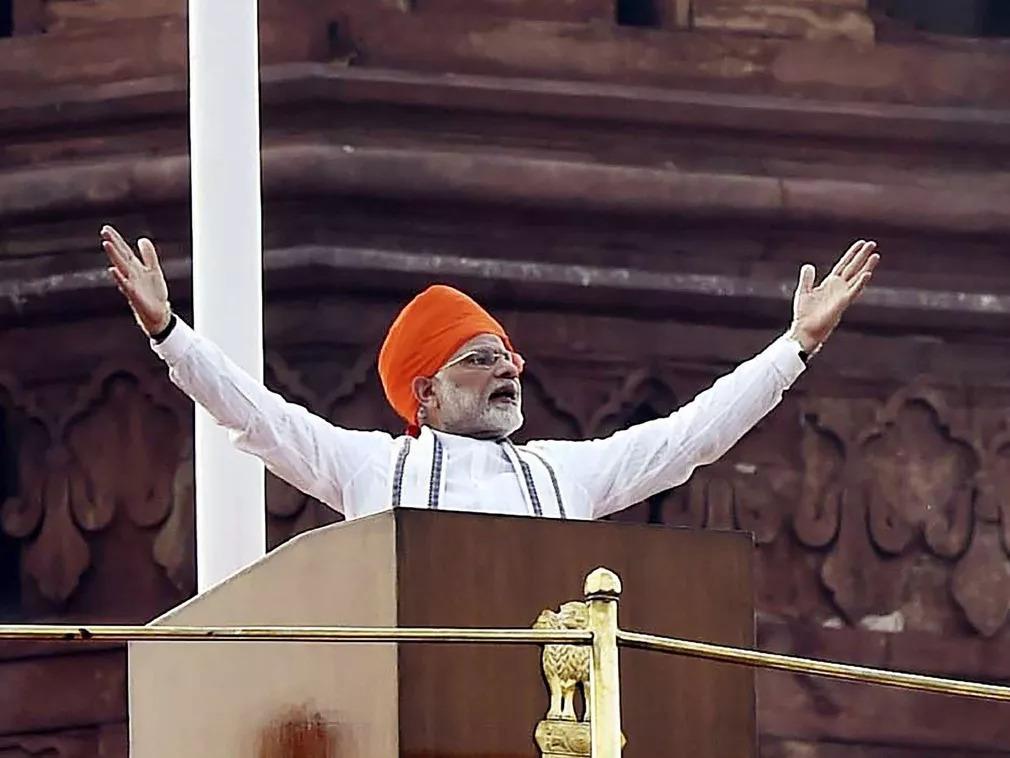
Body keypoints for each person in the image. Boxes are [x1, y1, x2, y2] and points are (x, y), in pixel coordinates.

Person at [101, 226, 878, 521]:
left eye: (508, 356)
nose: (507, 369)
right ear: (426, 392)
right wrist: (169, 333)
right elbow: (257, 416)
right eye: (480, 358)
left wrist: (795, 346)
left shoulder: (564, 477)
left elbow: (691, 437)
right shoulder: (372, 469)